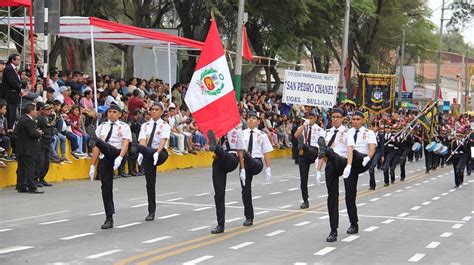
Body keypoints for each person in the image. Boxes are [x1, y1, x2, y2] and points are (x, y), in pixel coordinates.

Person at [88, 104, 132, 229]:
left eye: (114, 112)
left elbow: (125, 143)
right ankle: (109, 217)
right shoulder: (102, 127)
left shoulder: (124, 126)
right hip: (105, 156)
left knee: (99, 142)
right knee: (105, 187)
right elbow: (97, 148)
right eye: (110, 112)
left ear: (119, 114)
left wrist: (121, 157)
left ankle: (94, 138)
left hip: (116, 153)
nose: (112, 114)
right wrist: (92, 165)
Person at [316, 107, 348, 242]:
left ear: (342, 119)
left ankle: (329, 150)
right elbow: (321, 155)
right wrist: (318, 171)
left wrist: (351, 166)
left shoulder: (347, 132)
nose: (335, 119)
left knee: (330, 152)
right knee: (332, 197)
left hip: (343, 162)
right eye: (333, 117)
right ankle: (333, 230)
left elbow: (352, 150)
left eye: (337, 117)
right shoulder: (327, 132)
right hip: (331, 163)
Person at [343, 111, 376, 235]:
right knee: (349, 194)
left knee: (354, 151)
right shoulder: (347, 132)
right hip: (350, 164)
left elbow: (372, 147)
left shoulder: (369, 133)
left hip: (362, 159)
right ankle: (353, 223)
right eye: (353, 119)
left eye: (358, 119)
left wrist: (369, 157)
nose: (355, 121)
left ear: (363, 120)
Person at [207, 127, 245, 234]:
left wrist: (242, 169)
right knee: (218, 194)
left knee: (224, 153)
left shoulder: (237, 131)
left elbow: (239, 151)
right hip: (219, 160)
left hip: (231, 158)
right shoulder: (217, 130)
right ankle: (220, 225)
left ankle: (216, 148)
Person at [136, 103, 170, 221]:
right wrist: (142, 152)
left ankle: (143, 151)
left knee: (152, 152)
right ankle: (151, 212)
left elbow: (163, 140)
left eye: (156, 110)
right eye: (152, 110)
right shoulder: (145, 125)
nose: (154, 112)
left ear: (161, 112)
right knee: (150, 184)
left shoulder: (164, 125)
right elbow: (143, 140)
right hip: (148, 154)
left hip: (160, 153)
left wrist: (157, 152)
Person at [241, 111, 273, 226]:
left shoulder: (262, 135)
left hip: (256, 162)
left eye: (253, 118)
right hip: (244, 165)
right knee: (245, 191)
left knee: (248, 156)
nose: (251, 120)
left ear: (257, 121)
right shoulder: (242, 134)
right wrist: (241, 168)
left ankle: (247, 156)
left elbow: (266, 153)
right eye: (249, 118)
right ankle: (249, 217)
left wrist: (268, 168)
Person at [293, 112, 324, 209]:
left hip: (313, 151)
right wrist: (303, 125)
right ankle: (305, 200)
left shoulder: (319, 129)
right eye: (308, 118)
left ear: (315, 118)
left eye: (311, 118)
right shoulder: (303, 127)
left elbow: (321, 145)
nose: (309, 120)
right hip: (304, 154)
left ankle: (303, 146)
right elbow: (296, 135)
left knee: (307, 147)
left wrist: (319, 158)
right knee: (303, 179)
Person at [14, 103, 44, 194]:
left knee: (21, 168)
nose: (36, 112)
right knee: (30, 168)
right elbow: (33, 133)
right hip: (28, 149)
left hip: (21, 148)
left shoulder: (21, 119)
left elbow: (15, 132)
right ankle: (31, 187)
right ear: (31, 111)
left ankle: (21, 186)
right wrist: (39, 133)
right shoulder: (29, 120)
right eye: (35, 110)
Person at [35, 103, 54, 187]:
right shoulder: (39, 119)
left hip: (48, 142)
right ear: (42, 110)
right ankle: (35, 179)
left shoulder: (50, 118)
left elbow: (51, 129)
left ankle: (42, 178)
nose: (49, 111)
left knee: (46, 163)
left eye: (50, 109)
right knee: (40, 162)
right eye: (47, 109)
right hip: (41, 143)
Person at [1, 54, 22, 129]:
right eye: (18, 59)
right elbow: (12, 81)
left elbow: (17, 81)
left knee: (13, 113)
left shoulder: (15, 69)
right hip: (9, 95)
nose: (19, 61)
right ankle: (8, 129)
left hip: (14, 95)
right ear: (13, 60)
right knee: (10, 113)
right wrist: (20, 89)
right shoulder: (9, 68)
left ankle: (11, 128)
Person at [368, 123, 385, 190]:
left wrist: (382, 155)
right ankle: (372, 184)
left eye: (373, 126)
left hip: (378, 151)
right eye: (371, 126)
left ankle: (372, 185)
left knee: (373, 165)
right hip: (371, 151)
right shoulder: (369, 135)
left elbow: (382, 146)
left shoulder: (380, 135)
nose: (372, 128)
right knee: (370, 168)